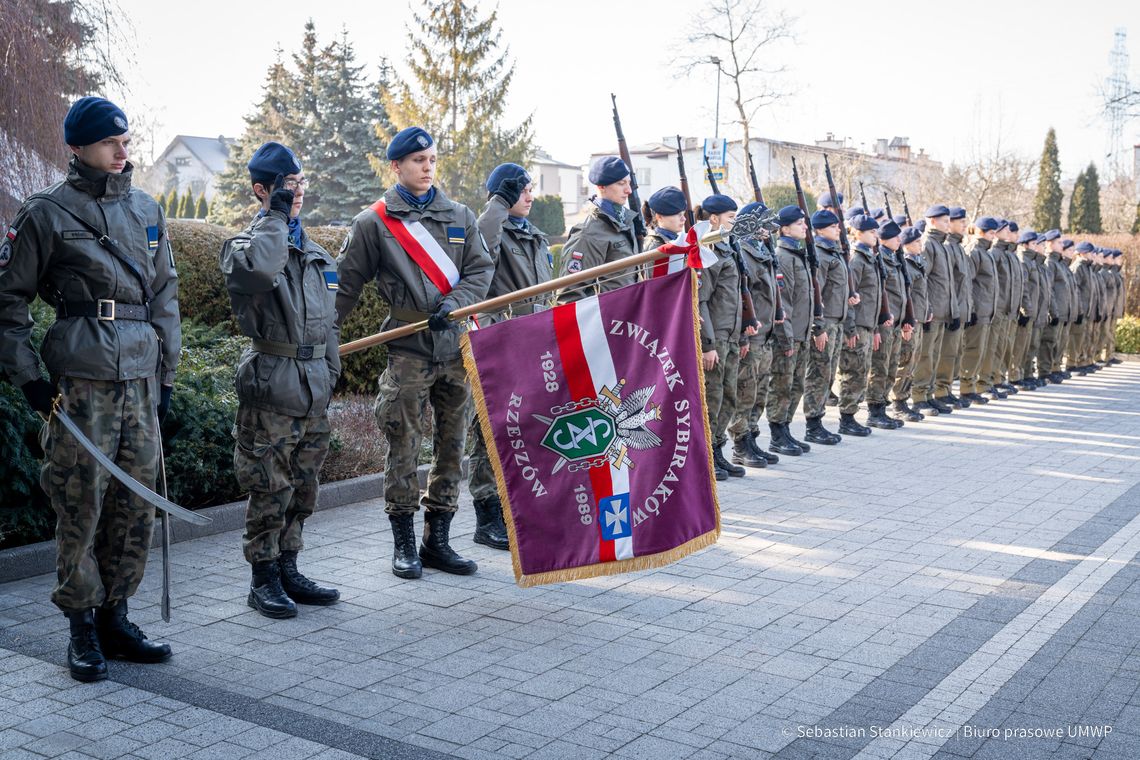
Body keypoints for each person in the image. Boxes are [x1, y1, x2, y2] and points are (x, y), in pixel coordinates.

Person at [0, 97, 180, 681]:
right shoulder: (45, 213)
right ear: (78, 148)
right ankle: (81, 625)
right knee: (81, 502)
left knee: (135, 506)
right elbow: (8, 304)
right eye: (110, 143)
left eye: (126, 141)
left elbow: (165, 299)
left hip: (141, 380)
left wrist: (167, 378)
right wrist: (29, 378)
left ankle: (116, 616)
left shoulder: (148, 210)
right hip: (80, 383)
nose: (123, 153)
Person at [335, 126, 493, 579]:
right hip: (407, 347)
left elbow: (480, 269)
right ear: (396, 166)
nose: (427, 167)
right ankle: (403, 544)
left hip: (455, 345)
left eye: (431, 160)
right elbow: (346, 288)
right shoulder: (375, 222)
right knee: (403, 444)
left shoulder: (459, 215)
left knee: (452, 444)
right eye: (418, 160)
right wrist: (322, 339)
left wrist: (455, 304)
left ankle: (437, 541)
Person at [219, 141, 341, 619]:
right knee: (269, 486)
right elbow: (263, 270)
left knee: (304, 486)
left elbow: (330, 323)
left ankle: (289, 566)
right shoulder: (244, 247)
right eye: (287, 186)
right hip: (272, 383)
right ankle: (263, 577)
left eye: (300, 183)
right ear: (261, 190)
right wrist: (274, 218)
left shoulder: (317, 254)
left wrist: (331, 371)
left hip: (312, 385)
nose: (297, 193)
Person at [468, 163, 553, 550]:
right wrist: (498, 204)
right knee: (491, 429)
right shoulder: (490, 227)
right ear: (502, 196)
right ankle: (486, 519)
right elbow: (481, 247)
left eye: (530, 189)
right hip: (500, 341)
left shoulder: (534, 236)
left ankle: (515, 510)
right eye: (521, 191)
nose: (530, 196)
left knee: (527, 427)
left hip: (535, 341)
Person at [730, 201, 787, 468]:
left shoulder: (763, 251)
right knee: (744, 392)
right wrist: (743, 335)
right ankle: (740, 444)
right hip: (751, 335)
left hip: (764, 334)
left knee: (759, 391)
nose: (768, 231)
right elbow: (741, 296)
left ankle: (752, 437)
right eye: (763, 225)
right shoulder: (744, 251)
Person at [695, 194, 745, 479]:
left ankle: (718, 450)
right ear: (713, 219)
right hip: (716, 340)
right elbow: (701, 301)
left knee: (728, 398)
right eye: (730, 217)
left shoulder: (726, 248)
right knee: (711, 400)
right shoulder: (708, 251)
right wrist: (708, 343)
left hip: (732, 336)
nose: (733, 222)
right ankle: (706, 458)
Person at [766, 205, 817, 456]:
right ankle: (776, 434)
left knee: (796, 385)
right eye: (799, 224)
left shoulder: (799, 254)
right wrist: (786, 339)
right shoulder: (784, 256)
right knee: (782, 386)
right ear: (784, 228)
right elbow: (783, 303)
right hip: (789, 336)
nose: (805, 227)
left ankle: (785, 428)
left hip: (802, 333)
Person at [559, 156, 638, 300]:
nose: (629, 190)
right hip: (606, 318)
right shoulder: (588, 232)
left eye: (629, 183)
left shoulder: (626, 222)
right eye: (621, 183)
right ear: (602, 187)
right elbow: (569, 296)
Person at [801, 209, 848, 445]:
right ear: (819, 230)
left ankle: (818, 420)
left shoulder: (835, 252)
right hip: (825, 322)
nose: (838, 229)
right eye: (832, 227)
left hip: (836, 321)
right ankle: (812, 423)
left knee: (828, 373)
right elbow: (816, 295)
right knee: (818, 374)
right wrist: (818, 327)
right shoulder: (820, 254)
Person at [836, 214, 885, 436]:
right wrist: (851, 327)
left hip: (868, 324)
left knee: (861, 371)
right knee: (852, 372)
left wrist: (874, 328)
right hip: (857, 326)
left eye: (876, 232)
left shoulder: (870, 258)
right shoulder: (856, 260)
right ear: (858, 233)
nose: (876, 235)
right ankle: (846, 418)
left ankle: (852, 414)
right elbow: (849, 297)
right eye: (871, 232)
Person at [911, 205, 957, 415]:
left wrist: (953, 310)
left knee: (935, 355)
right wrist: (926, 310)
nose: (949, 225)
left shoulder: (942, 246)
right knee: (925, 356)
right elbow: (923, 281)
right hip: (931, 312)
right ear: (931, 221)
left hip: (942, 311)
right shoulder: (929, 244)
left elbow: (947, 283)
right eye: (944, 221)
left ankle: (929, 394)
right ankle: (919, 396)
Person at [866, 220, 911, 427]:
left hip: (895, 323)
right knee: (879, 368)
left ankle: (882, 406)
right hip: (883, 323)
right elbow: (878, 294)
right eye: (895, 238)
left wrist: (905, 319)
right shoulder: (880, 259)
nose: (899, 241)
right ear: (883, 240)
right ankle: (874, 410)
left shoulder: (895, 259)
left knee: (891, 367)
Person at [958, 216, 1001, 404]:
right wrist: (972, 309)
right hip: (978, 310)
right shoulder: (975, 251)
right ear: (981, 232)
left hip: (986, 310)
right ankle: (966, 388)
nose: (994, 237)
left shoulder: (986, 252)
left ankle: (973, 385)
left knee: (981, 350)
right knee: (972, 350)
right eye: (991, 233)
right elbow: (969, 282)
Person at [890, 226, 931, 421]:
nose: (920, 245)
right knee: (904, 363)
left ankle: (904, 400)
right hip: (909, 321)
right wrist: (908, 319)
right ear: (906, 245)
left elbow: (922, 293)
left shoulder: (917, 263)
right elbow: (906, 296)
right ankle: (897, 402)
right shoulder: (905, 264)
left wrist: (926, 310)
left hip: (918, 319)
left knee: (912, 362)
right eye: (916, 242)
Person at [934, 206, 971, 409]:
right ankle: (939, 390)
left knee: (952, 353)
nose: (964, 225)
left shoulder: (957, 247)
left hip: (957, 309)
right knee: (943, 354)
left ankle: (945, 389)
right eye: (960, 222)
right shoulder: (947, 246)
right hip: (945, 310)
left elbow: (964, 283)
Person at [1039, 230, 1076, 383]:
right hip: (1055, 311)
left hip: (1062, 310)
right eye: (1059, 242)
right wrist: (1053, 310)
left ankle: (1055, 368)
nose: (1062, 245)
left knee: (1058, 342)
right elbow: (1050, 290)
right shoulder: (1050, 263)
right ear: (1050, 244)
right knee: (1049, 341)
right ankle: (1045, 370)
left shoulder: (1059, 264)